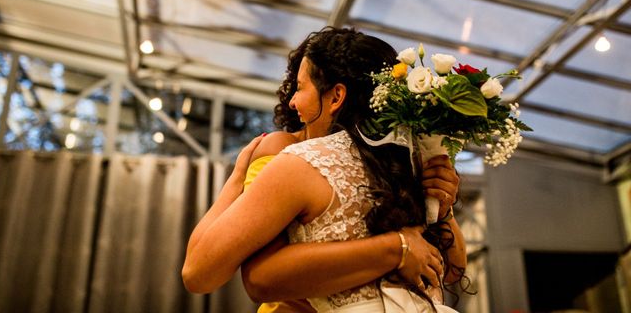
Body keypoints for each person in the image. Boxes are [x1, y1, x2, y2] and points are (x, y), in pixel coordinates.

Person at [182, 27, 466, 312]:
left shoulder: (400, 166)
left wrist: (443, 205)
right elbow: (230, 273)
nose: (293, 101)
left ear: (336, 97)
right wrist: (237, 181)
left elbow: (449, 271)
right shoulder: (292, 154)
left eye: (301, 88)